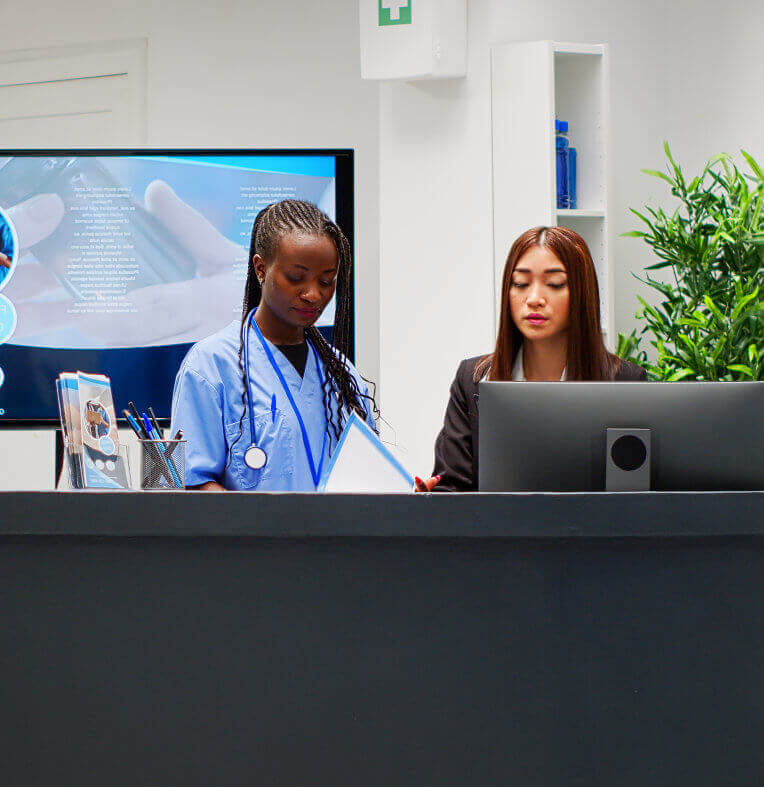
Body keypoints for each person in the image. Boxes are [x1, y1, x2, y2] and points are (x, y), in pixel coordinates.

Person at [170, 199, 377, 491]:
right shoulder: (211, 365)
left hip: (336, 537)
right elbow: (193, 484)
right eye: (296, 278)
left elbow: (371, 480)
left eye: (327, 281)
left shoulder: (344, 376)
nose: (313, 295)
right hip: (252, 536)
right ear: (260, 268)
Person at [427, 226, 647, 492]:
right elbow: (451, 488)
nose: (533, 299)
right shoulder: (472, 379)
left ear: (581, 294)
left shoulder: (625, 382)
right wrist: (431, 499)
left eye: (554, 284)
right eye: (520, 283)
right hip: (497, 531)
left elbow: (636, 496)